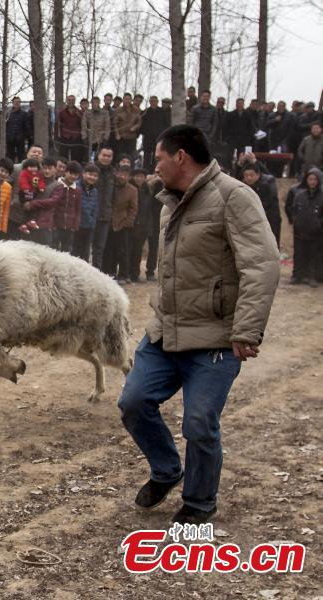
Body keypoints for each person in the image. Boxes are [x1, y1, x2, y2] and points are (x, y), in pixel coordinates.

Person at [118, 124, 280, 525]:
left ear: (181, 157)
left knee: (199, 423)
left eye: (157, 159)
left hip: (215, 337)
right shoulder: (167, 204)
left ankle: (199, 502)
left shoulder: (234, 197)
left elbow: (262, 265)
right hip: (165, 331)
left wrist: (246, 329)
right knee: (133, 403)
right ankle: (167, 470)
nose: (154, 167)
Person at [284, 168, 322, 285]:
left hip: (316, 233)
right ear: (306, 180)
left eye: (315, 179)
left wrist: (318, 224)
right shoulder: (299, 195)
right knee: (298, 254)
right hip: (299, 231)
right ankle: (297, 276)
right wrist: (295, 220)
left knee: (314, 256)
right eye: (310, 179)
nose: (312, 182)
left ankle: (312, 277)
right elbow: (291, 209)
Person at [105, 164, 138, 283]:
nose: (122, 176)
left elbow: (133, 208)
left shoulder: (132, 190)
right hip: (108, 222)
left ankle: (124, 274)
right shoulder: (110, 185)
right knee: (108, 249)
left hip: (122, 223)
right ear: (115, 173)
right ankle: (109, 272)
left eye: (125, 175)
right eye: (120, 173)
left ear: (129, 177)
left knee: (123, 250)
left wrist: (128, 222)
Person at [128, 168, 160, 282]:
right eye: (156, 172)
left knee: (147, 249)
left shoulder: (148, 189)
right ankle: (129, 273)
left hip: (151, 221)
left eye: (142, 176)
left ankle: (144, 273)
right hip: (135, 221)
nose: (158, 175)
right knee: (131, 249)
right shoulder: (139, 187)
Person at [241, 163, 281, 248]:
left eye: (251, 175)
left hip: (269, 221)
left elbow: (268, 204)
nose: (249, 178)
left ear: (258, 175)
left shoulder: (266, 186)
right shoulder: (242, 188)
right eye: (246, 175)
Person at [91, 146, 116, 272]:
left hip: (106, 215)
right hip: (90, 214)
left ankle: (96, 272)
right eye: (104, 155)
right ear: (98, 155)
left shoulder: (113, 173)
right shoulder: (91, 170)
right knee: (86, 247)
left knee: (100, 248)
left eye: (109, 156)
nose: (106, 158)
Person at [50, 161, 82, 253]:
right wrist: (52, 223)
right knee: (53, 249)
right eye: (71, 173)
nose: (73, 176)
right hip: (56, 225)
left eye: (76, 175)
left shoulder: (77, 190)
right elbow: (52, 206)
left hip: (69, 227)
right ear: (65, 172)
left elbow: (78, 209)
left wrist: (75, 225)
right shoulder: (56, 185)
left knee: (67, 250)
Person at [73, 163, 100, 262]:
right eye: (90, 174)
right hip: (76, 226)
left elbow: (95, 209)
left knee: (85, 254)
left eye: (95, 176)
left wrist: (92, 224)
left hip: (88, 227)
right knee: (74, 253)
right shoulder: (75, 186)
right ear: (83, 174)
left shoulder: (95, 191)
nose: (92, 177)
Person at [0, 158, 15, 239]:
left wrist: (3, 229)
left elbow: (6, 210)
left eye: (6, 172)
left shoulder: (8, 187)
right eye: (1, 170)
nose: (3, 174)